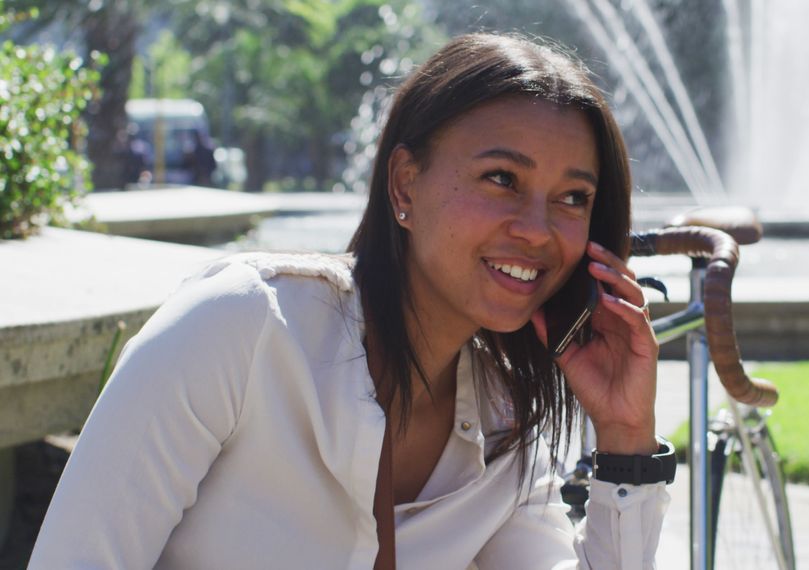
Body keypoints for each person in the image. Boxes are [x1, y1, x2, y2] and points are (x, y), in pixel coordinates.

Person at [29, 33, 670, 569]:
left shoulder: (508, 424)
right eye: (502, 179)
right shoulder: (243, 328)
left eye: (573, 198)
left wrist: (624, 440)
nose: (537, 229)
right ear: (404, 185)